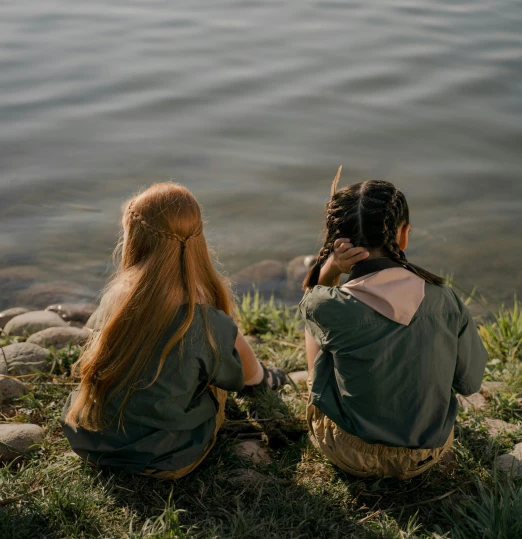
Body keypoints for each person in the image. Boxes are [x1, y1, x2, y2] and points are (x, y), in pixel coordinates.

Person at [62, 182, 285, 480]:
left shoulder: (115, 296)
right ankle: (262, 379)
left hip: (89, 439)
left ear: (132, 238)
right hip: (164, 457)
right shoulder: (206, 319)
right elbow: (231, 380)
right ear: (197, 239)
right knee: (222, 350)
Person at [300, 172, 488, 480]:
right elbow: (469, 382)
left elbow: (314, 296)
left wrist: (331, 268)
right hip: (427, 452)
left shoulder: (330, 304)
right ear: (403, 234)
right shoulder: (446, 298)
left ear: (337, 240)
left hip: (350, 452)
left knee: (313, 309)